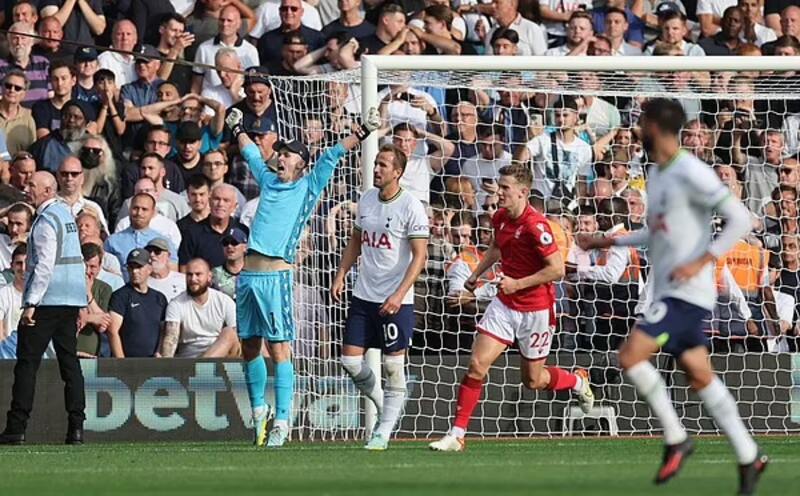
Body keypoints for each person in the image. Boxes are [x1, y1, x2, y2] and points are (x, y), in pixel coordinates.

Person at [576, 98, 768, 494]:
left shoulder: (691, 171)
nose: (636, 129)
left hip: (686, 291)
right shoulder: (657, 173)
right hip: (669, 287)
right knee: (699, 374)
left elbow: (740, 219)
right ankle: (750, 455)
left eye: (641, 122)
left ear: (656, 127)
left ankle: (677, 438)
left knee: (630, 355)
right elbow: (657, 232)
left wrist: (702, 261)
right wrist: (608, 241)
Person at [225, 104, 379, 447]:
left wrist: (363, 131)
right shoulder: (267, 179)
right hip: (247, 277)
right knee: (249, 347)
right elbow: (251, 152)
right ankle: (259, 412)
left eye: (288, 154)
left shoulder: (309, 186)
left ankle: (282, 421)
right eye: (280, 153)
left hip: (276, 278)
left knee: (279, 349)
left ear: (302, 164)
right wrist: (237, 128)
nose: (281, 158)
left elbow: (334, 153)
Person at [429, 164, 594, 452]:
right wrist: (476, 275)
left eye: (505, 188)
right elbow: (497, 247)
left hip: (536, 310)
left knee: (533, 380)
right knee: (477, 364)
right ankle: (457, 434)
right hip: (504, 305)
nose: (499, 192)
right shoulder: (501, 217)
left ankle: (577, 381)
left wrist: (517, 284)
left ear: (523, 192)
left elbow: (557, 270)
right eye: (499, 186)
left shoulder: (536, 226)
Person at [331, 143, 429, 450]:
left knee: (392, 366)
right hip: (364, 295)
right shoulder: (367, 199)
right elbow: (356, 241)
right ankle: (384, 403)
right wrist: (341, 273)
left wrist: (399, 294)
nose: (376, 169)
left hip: (395, 300)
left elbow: (420, 256)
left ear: (397, 172)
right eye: (375, 163)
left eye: (383, 165)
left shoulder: (411, 206)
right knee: (349, 361)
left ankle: (383, 432)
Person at [0, 171, 87, 445]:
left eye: (32, 185)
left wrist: (31, 303)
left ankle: (16, 427)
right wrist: (82, 301)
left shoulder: (46, 220)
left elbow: (45, 265)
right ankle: (76, 428)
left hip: (47, 301)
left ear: (48, 190)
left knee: (27, 364)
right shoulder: (66, 215)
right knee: (70, 364)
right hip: (70, 300)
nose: (27, 189)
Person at [160, 258, 238, 358]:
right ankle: (203, 366)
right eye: (189, 274)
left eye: (198, 274)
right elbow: (171, 338)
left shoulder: (224, 301)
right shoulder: (176, 304)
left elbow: (235, 338)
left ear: (209, 276)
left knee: (229, 332)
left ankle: (203, 366)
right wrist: (165, 362)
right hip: (189, 358)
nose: (193, 279)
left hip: (220, 355)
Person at [107, 248, 168, 358]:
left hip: (153, 361)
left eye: (139, 267)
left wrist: (159, 353)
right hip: (128, 362)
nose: (134, 271)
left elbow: (164, 330)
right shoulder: (120, 296)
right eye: (131, 267)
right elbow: (113, 331)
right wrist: (121, 362)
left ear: (149, 269)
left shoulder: (160, 298)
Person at [0, 244, 26, 359]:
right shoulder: (3, 294)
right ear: (12, 266)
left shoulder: (43, 295)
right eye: (19, 263)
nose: (23, 268)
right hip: (9, 356)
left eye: (27, 263)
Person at [145, 237, 186, 302]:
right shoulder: (142, 282)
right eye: (148, 251)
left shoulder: (183, 280)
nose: (152, 255)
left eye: (157, 251)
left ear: (168, 256)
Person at [211, 227, 247, 300]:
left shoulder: (253, 273)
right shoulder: (214, 274)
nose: (229, 246)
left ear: (245, 247)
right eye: (225, 243)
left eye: (234, 243)